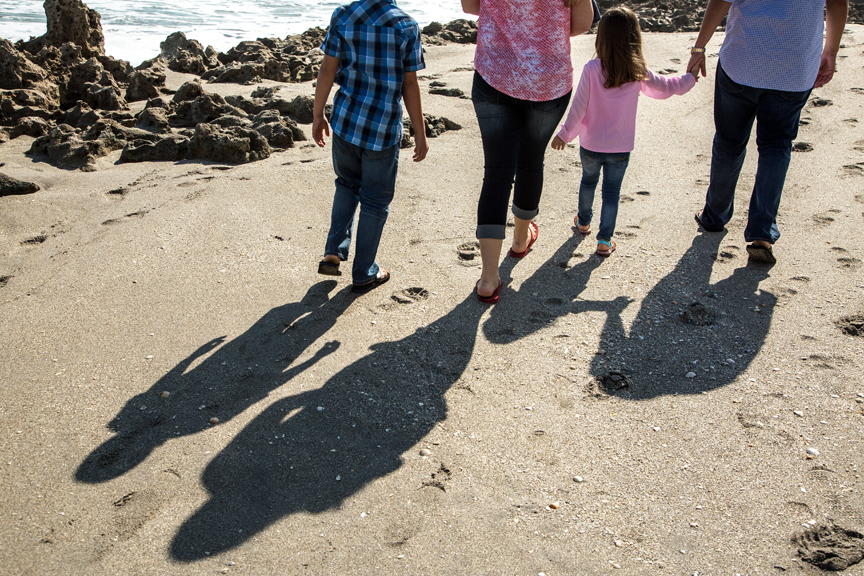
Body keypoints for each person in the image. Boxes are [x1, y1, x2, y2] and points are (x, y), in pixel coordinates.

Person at [689, 0, 849, 264]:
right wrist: (831, 51)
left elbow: (721, 1)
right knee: (776, 146)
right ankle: (761, 233)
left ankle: (714, 216)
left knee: (730, 142)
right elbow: (837, 3)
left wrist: (699, 46)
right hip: (794, 69)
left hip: (742, 62)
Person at [461, 0, 599, 304]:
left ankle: (488, 279)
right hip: (547, 81)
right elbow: (581, 24)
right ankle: (521, 240)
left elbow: (470, 6)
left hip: (493, 74)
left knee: (496, 174)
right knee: (531, 161)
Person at [551, 7, 696, 257]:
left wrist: (565, 134)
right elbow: (665, 87)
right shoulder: (636, 70)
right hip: (620, 146)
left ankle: (583, 221)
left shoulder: (592, 68)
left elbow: (579, 107)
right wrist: (689, 79)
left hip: (591, 144)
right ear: (634, 37)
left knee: (588, 181)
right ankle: (605, 240)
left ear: (602, 37)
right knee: (611, 193)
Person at [314, 0, 429, 293]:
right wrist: (420, 131)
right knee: (375, 202)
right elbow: (410, 84)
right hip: (382, 129)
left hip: (345, 122)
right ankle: (364, 271)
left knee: (346, 184)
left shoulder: (343, 15)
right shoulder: (405, 25)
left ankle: (333, 252)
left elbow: (328, 68)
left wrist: (317, 114)